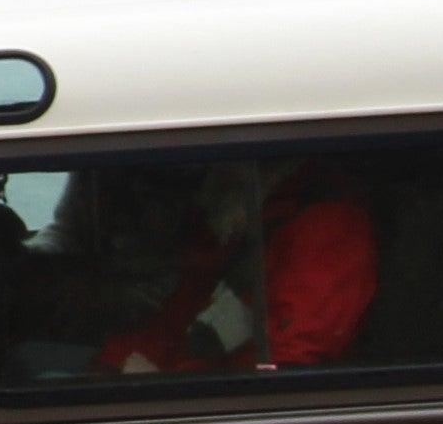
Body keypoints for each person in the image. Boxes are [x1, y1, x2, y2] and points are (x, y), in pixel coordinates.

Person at [98, 159, 379, 375]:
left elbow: (292, 365)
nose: (206, 179)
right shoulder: (239, 224)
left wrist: (176, 386)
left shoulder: (327, 227)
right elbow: (178, 328)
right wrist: (113, 363)